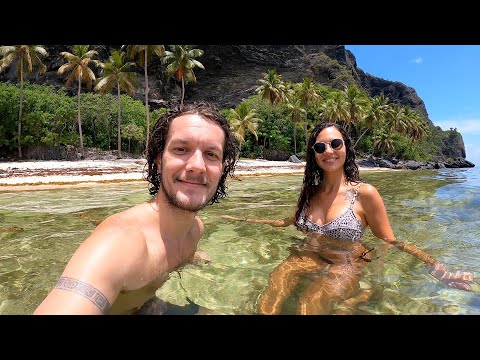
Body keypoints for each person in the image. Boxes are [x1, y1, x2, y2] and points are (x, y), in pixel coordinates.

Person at [223, 122, 474, 315]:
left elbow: (390, 241)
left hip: (345, 263)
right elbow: (288, 222)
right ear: (314, 154)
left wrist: (437, 268)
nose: (328, 151)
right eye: (320, 147)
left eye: (335, 144)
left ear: (346, 148)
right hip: (304, 256)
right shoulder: (309, 194)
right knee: (269, 300)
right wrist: (246, 220)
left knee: (307, 306)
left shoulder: (365, 194)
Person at [34, 102, 238, 315]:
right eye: (181, 149)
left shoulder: (195, 230)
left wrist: (194, 256)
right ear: (159, 161)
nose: (197, 165)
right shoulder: (121, 243)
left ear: (222, 168)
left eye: (211, 154)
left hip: (147, 307)